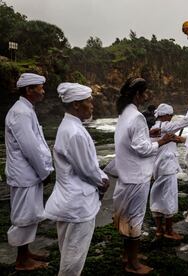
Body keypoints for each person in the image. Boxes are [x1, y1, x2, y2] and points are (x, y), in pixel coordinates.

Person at [44, 82, 109, 276]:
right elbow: (87, 170)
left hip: (68, 200)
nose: (92, 105)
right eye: (89, 101)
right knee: (73, 259)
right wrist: (103, 181)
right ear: (76, 105)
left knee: (68, 252)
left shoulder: (68, 127)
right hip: (77, 203)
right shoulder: (75, 133)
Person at [112, 77, 176, 274]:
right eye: (145, 92)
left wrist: (150, 135)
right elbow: (142, 149)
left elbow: (134, 141)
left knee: (127, 218)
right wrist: (162, 141)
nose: (148, 95)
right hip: (137, 177)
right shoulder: (138, 117)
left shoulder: (124, 115)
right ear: (138, 95)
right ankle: (134, 265)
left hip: (126, 174)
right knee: (135, 219)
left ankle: (127, 256)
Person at [5, 73, 54, 271]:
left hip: (28, 174)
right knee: (23, 217)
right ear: (29, 90)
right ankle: (22, 260)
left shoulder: (26, 110)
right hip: (25, 174)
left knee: (30, 214)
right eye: (39, 87)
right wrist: (44, 171)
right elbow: (30, 148)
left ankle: (26, 252)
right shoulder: (21, 113)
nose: (43, 91)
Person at [150, 97, 188, 240]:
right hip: (167, 168)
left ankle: (159, 230)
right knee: (169, 198)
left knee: (157, 197)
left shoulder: (153, 128)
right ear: (165, 115)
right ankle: (169, 231)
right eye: (170, 115)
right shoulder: (166, 126)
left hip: (156, 168)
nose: (171, 118)